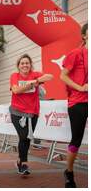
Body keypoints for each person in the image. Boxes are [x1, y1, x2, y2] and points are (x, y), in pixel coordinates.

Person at [9, 54, 53, 175]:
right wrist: (32, 84)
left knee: (27, 138)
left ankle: (20, 161)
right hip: (17, 112)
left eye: (27, 63)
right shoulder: (14, 76)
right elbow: (16, 90)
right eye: (22, 63)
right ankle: (24, 163)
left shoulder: (35, 74)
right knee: (23, 136)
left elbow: (50, 76)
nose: (25, 65)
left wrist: (38, 80)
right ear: (18, 66)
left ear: (30, 65)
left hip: (33, 112)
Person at [60, 23, 88, 188]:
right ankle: (69, 171)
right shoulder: (76, 53)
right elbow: (62, 75)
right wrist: (80, 87)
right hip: (78, 101)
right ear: (84, 36)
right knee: (76, 139)